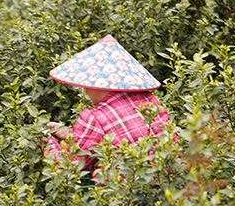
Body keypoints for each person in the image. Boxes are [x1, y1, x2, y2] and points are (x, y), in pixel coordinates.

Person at [43, 34, 172, 172]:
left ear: (96, 85)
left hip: (125, 189)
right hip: (168, 182)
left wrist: (46, 139)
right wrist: (69, 135)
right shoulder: (149, 100)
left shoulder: (95, 117)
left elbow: (67, 167)